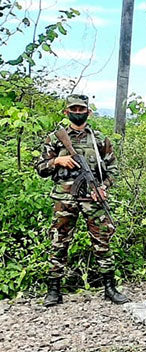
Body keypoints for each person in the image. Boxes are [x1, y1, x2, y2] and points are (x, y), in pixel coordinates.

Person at [35, 94, 129, 307]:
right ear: (66, 112)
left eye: (81, 109)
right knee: (59, 241)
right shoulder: (56, 138)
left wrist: (103, 188)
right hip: (64, 198)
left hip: (92, 197)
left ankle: (109, 288)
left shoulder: (99, 140)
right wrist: (57, 161)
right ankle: (53, 290)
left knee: (103, 241)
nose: (78, 113)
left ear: (89, 112)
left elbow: (113, 169)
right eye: (74, 109)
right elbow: (40, 168)